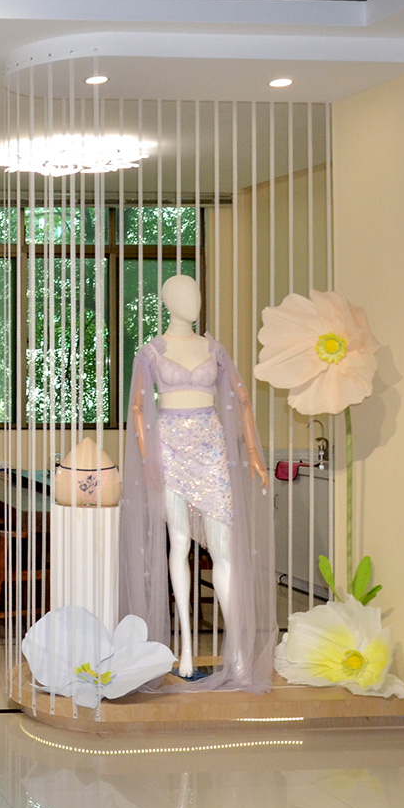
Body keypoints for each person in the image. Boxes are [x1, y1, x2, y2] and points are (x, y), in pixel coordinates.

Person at [121, 274, 275, 692]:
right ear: (168, 301)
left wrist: (254, 454)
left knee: (225, 551)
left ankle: (238, 652)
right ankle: (186, 650)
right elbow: (138, 409)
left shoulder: (214, 349)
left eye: (196, 293)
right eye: (184, 294)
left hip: (210, 451)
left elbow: (242, 400)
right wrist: (149, 462)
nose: (193, 301)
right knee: (179, 545)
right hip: (169, 451)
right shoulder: (151, 352)